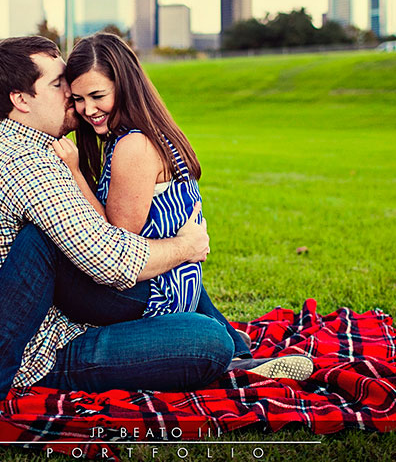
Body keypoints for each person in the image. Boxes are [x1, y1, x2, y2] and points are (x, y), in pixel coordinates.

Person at [53, 32, 313, 378]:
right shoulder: (153, 132)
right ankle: (237, 350)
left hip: (157, 294)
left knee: (53, 262)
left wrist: (74, 172)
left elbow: (115, 242)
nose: (88, 110)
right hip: (180, 281)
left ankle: (221, 354)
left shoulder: (133, 146)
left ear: (124, 86)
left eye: (98, 96)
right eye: (79, 99)